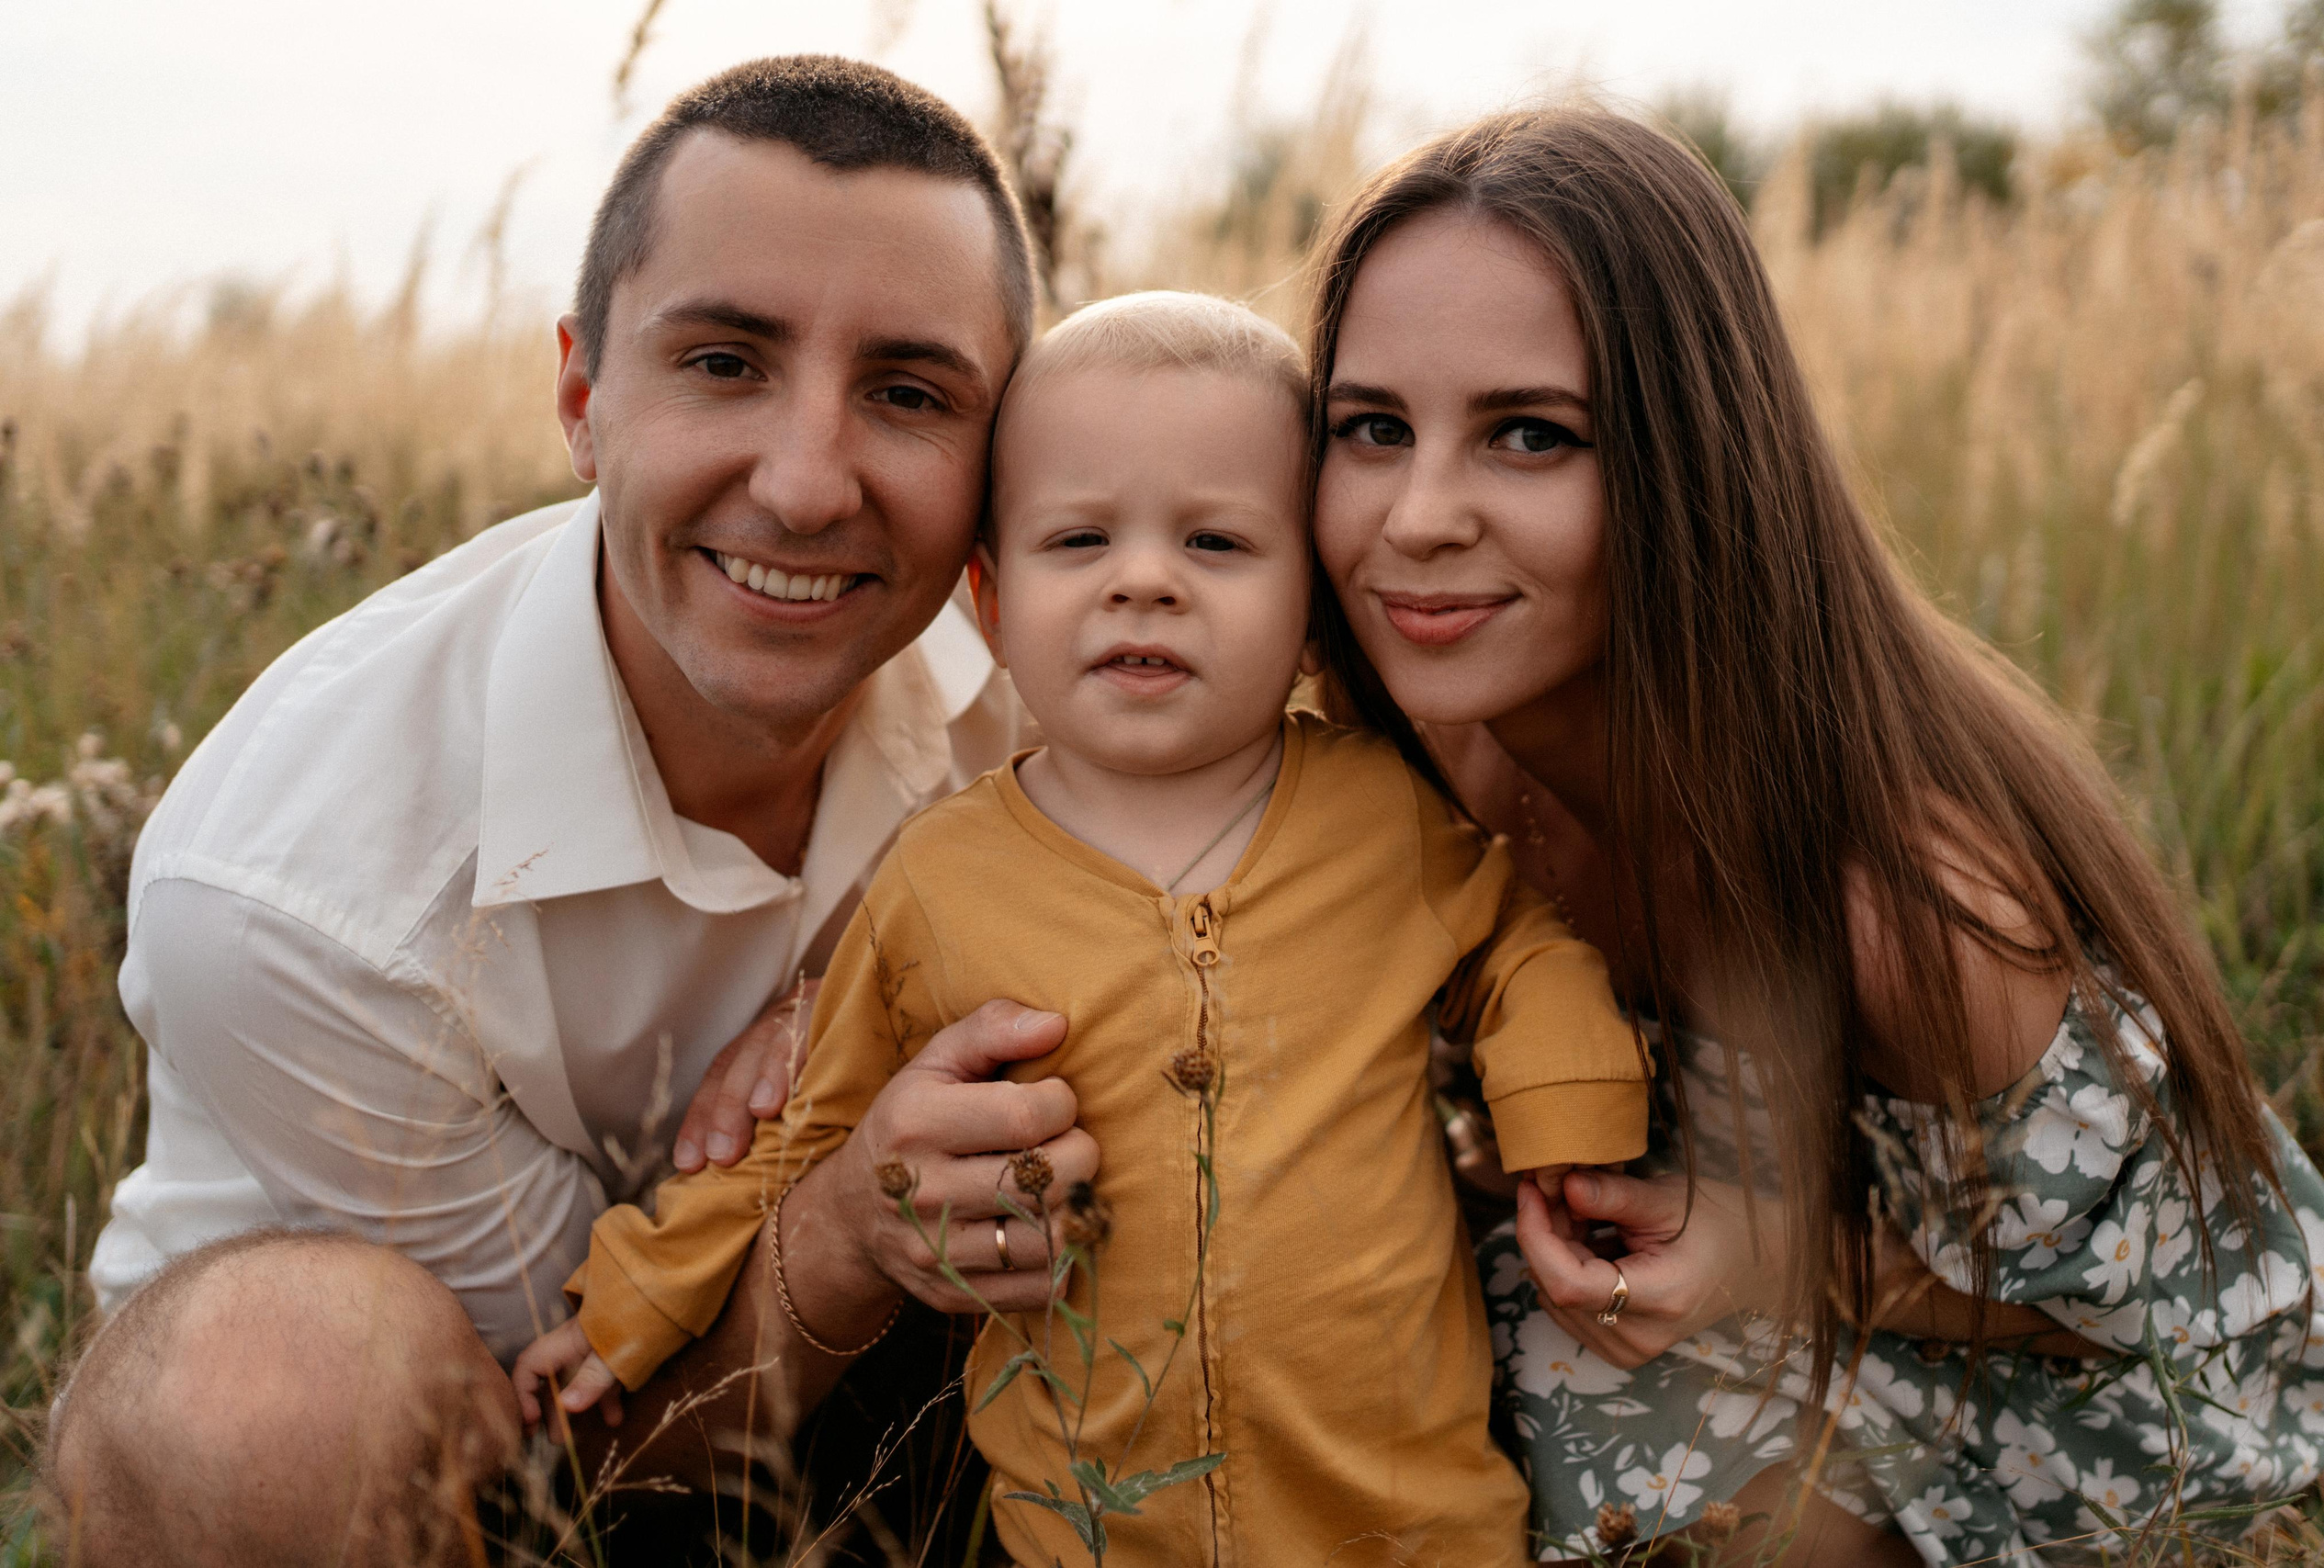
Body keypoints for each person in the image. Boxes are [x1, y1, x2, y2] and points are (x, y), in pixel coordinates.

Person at [45, 56, 1092, 1565]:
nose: (805, 487)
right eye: (725, 363)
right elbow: (598, 1442)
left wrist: (853, 980)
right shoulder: (293, 896)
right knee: (267, 1408)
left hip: (895, 1365)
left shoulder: (1060, 656)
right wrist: (853, 1212)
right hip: (449, 1462)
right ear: (582, 400)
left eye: (909, 394)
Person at [1304, 105, 2324, 1566]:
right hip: (1707, 1284)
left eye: (1530, 434)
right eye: (1370, 429)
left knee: (1593, 1496)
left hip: (2106, 1386)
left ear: (1691, 459)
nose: (1415, 517)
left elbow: (2195, 1323)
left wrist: (1778, 1259)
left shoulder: (1905, 905)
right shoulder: (1421, 740)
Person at [510, 291, 1650, 1566]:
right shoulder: (943, 880)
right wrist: (635, 1304)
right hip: (1087, 1535)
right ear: (991, 602)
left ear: (1315, 611)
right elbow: (809, 1134)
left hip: (1415, 1526)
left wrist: (1572, 1113)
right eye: (1079, 542)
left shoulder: (1381, 816)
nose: (1145, 583)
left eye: (1217, 545)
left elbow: (1518, 954)